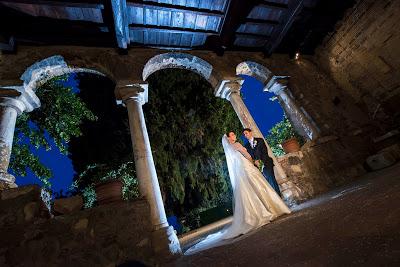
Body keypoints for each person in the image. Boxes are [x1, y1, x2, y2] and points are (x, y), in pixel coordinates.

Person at [185, 131, 290, 254]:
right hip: (247, 167)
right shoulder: (237, 145)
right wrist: (254, 163)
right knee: (259, 186)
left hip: (241, 171)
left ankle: (254, 214)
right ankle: (268, 209)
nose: (235, 136)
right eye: (233, 135)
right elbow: (248, 155)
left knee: (249, 192)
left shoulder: (229, 149)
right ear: (229, 138)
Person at [243, 128, 282, 197]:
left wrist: (260, 162)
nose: (245, 135)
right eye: (244, 134)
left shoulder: (260, 140)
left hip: (266, 163)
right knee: (265, 184)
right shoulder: (246, 146)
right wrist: (255, 163)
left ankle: (279, 198)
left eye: (246, 133)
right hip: (257, 167)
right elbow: (249, 157)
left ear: (250, 132)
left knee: (272, 180)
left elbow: (265, 152)